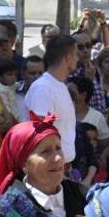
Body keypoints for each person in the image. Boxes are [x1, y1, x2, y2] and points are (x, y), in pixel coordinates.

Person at [25, 35, 78, 165]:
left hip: (61, 167)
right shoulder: (43, 88)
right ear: (68, 58)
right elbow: (41, 131)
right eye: (76, 54)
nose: (78, 58)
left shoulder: (59, 85)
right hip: (49, 167)